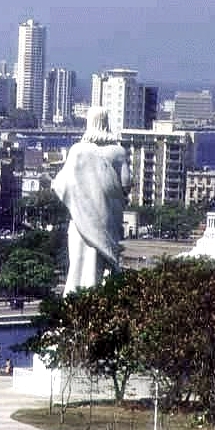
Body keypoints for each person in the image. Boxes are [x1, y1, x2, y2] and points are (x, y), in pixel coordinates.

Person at [52, 107, 132, 295]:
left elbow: (61, 185)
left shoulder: (77, 151)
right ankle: (99, 301)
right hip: (107, 220)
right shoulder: (118, 152)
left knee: (79, 262)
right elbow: (126, 184)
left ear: (89, 122)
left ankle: (74, 301)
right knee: (101, 262)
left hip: (81, 220)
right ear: (106, 123)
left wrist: (83, 196)